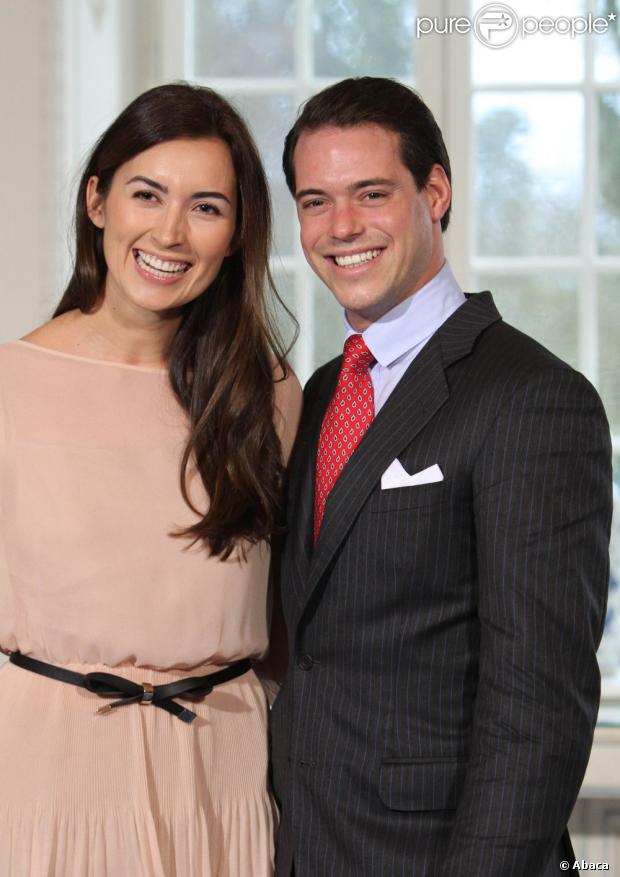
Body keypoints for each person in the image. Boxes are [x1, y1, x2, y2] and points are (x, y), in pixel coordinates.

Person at [270, 76, 612, 876]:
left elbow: (538, 709)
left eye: (371, 193)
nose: (341, 226)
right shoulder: (321, 392)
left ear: (435, 191)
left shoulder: (532, 398)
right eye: (315, 201)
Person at [0, 82, 301, 876]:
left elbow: (299, 606)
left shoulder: (264, 391)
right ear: (98, 202)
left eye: (207, 206)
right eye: (147, 194)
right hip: (47, 785)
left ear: (237, 234)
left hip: (224, 783)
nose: (170, 231)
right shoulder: (8, 385)